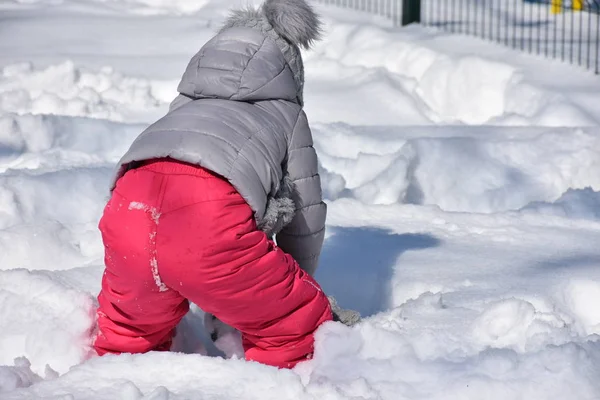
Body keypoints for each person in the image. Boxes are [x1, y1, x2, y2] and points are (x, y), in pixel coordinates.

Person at [92, 0, 359, 369]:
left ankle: (107, 383)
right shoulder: (286, 114)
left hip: (128, 210)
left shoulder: (185, 103)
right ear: (288, 70)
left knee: (129, 331)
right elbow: (305, 214)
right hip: (209, 222)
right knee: (294, 325)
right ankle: (289, 386)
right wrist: (290, 280)